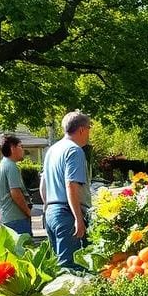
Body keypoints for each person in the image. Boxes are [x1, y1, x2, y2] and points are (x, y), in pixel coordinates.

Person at [40, 110, 92, 268]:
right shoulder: (74, 151)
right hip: (66, 214)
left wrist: (48, 207)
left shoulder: (52, 150)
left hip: (51, 211)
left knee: (58, 267)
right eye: (89, 128)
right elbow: (71, 185)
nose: (89, 133)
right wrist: (78, 218)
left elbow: (43, 184)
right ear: (82, 129)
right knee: (70, 268)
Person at [0, 134, 33, 235]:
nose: (23, 150)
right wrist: (28, 212)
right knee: (24, 249)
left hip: (6, 219)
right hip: (17, 219)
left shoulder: (2, 165)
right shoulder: (12, 166)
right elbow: (15, 193)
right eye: (20, 146)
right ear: (12, 148)